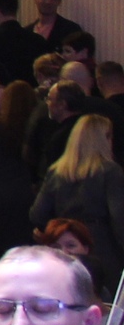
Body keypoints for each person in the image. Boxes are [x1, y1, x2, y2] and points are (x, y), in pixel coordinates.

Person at [30, 114, 124, 287]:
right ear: (104, 139)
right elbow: (120, 218)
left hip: (64, 244)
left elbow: (37, 214)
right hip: (101, 245)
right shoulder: (111, 171)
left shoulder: (56, 171)